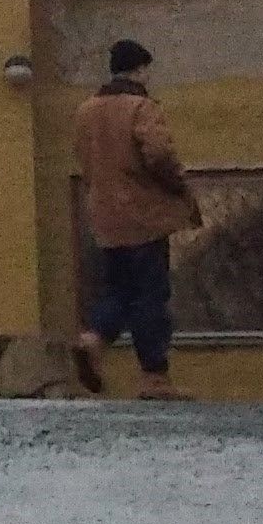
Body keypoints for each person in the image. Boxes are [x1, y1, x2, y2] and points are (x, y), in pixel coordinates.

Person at [73, 38, 198, 400]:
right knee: (150, 295)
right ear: (141, 69)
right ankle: (154, 377)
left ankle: (93, 338)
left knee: (120, 290)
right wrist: (177, 184)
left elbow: (83, 159)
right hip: (143, 216)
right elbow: (158, 153)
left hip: (104, 216)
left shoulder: (85, 111)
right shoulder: (141, 107)